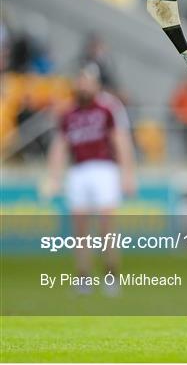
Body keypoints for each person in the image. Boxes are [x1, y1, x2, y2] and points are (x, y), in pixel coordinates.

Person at [43, 64, 136, 295]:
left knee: (106, 225)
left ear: (96, 84)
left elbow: (120, 140)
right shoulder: (68, 112)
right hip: (78, 170)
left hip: (104, 168)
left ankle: (111, 274)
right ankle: (83, 276)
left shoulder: (107, 108)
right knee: (80, 228)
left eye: (87, 81)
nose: (83, 85)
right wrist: (53, 176)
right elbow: (60, 146)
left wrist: (128, 174)